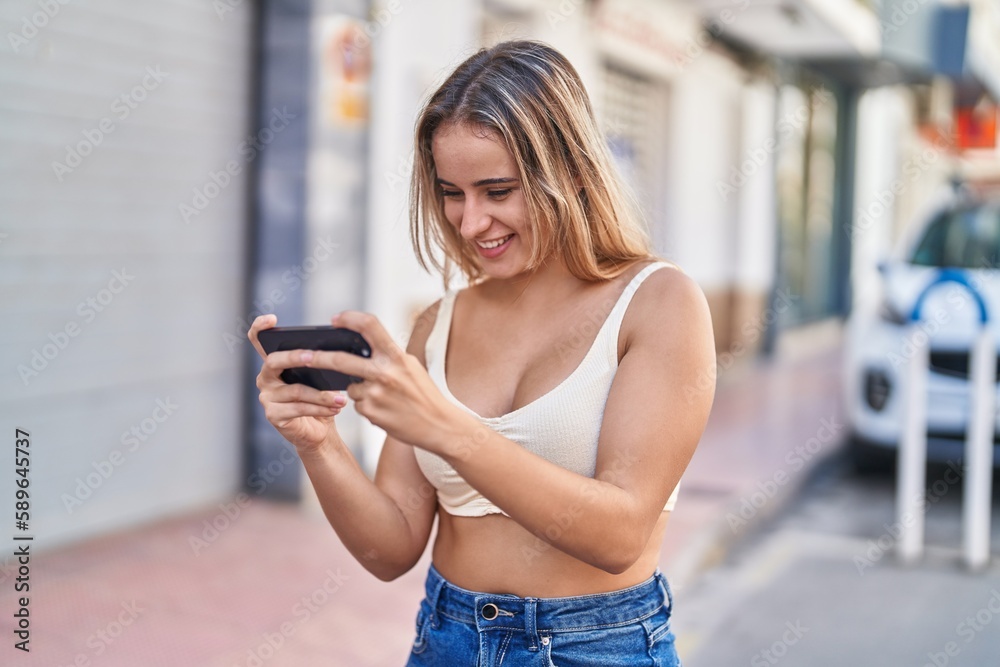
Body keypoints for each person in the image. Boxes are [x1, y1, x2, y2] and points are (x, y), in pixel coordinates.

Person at [248, 39, 716, 666]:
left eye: (497, 191)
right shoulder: (438, 324)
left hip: (595, 646)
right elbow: (390, 551)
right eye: (452, 193)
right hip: (447, 638)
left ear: (571, 172)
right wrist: (319, 443)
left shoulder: (659, 303)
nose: (470, 224)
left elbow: (619, 534)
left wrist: (446, 428)